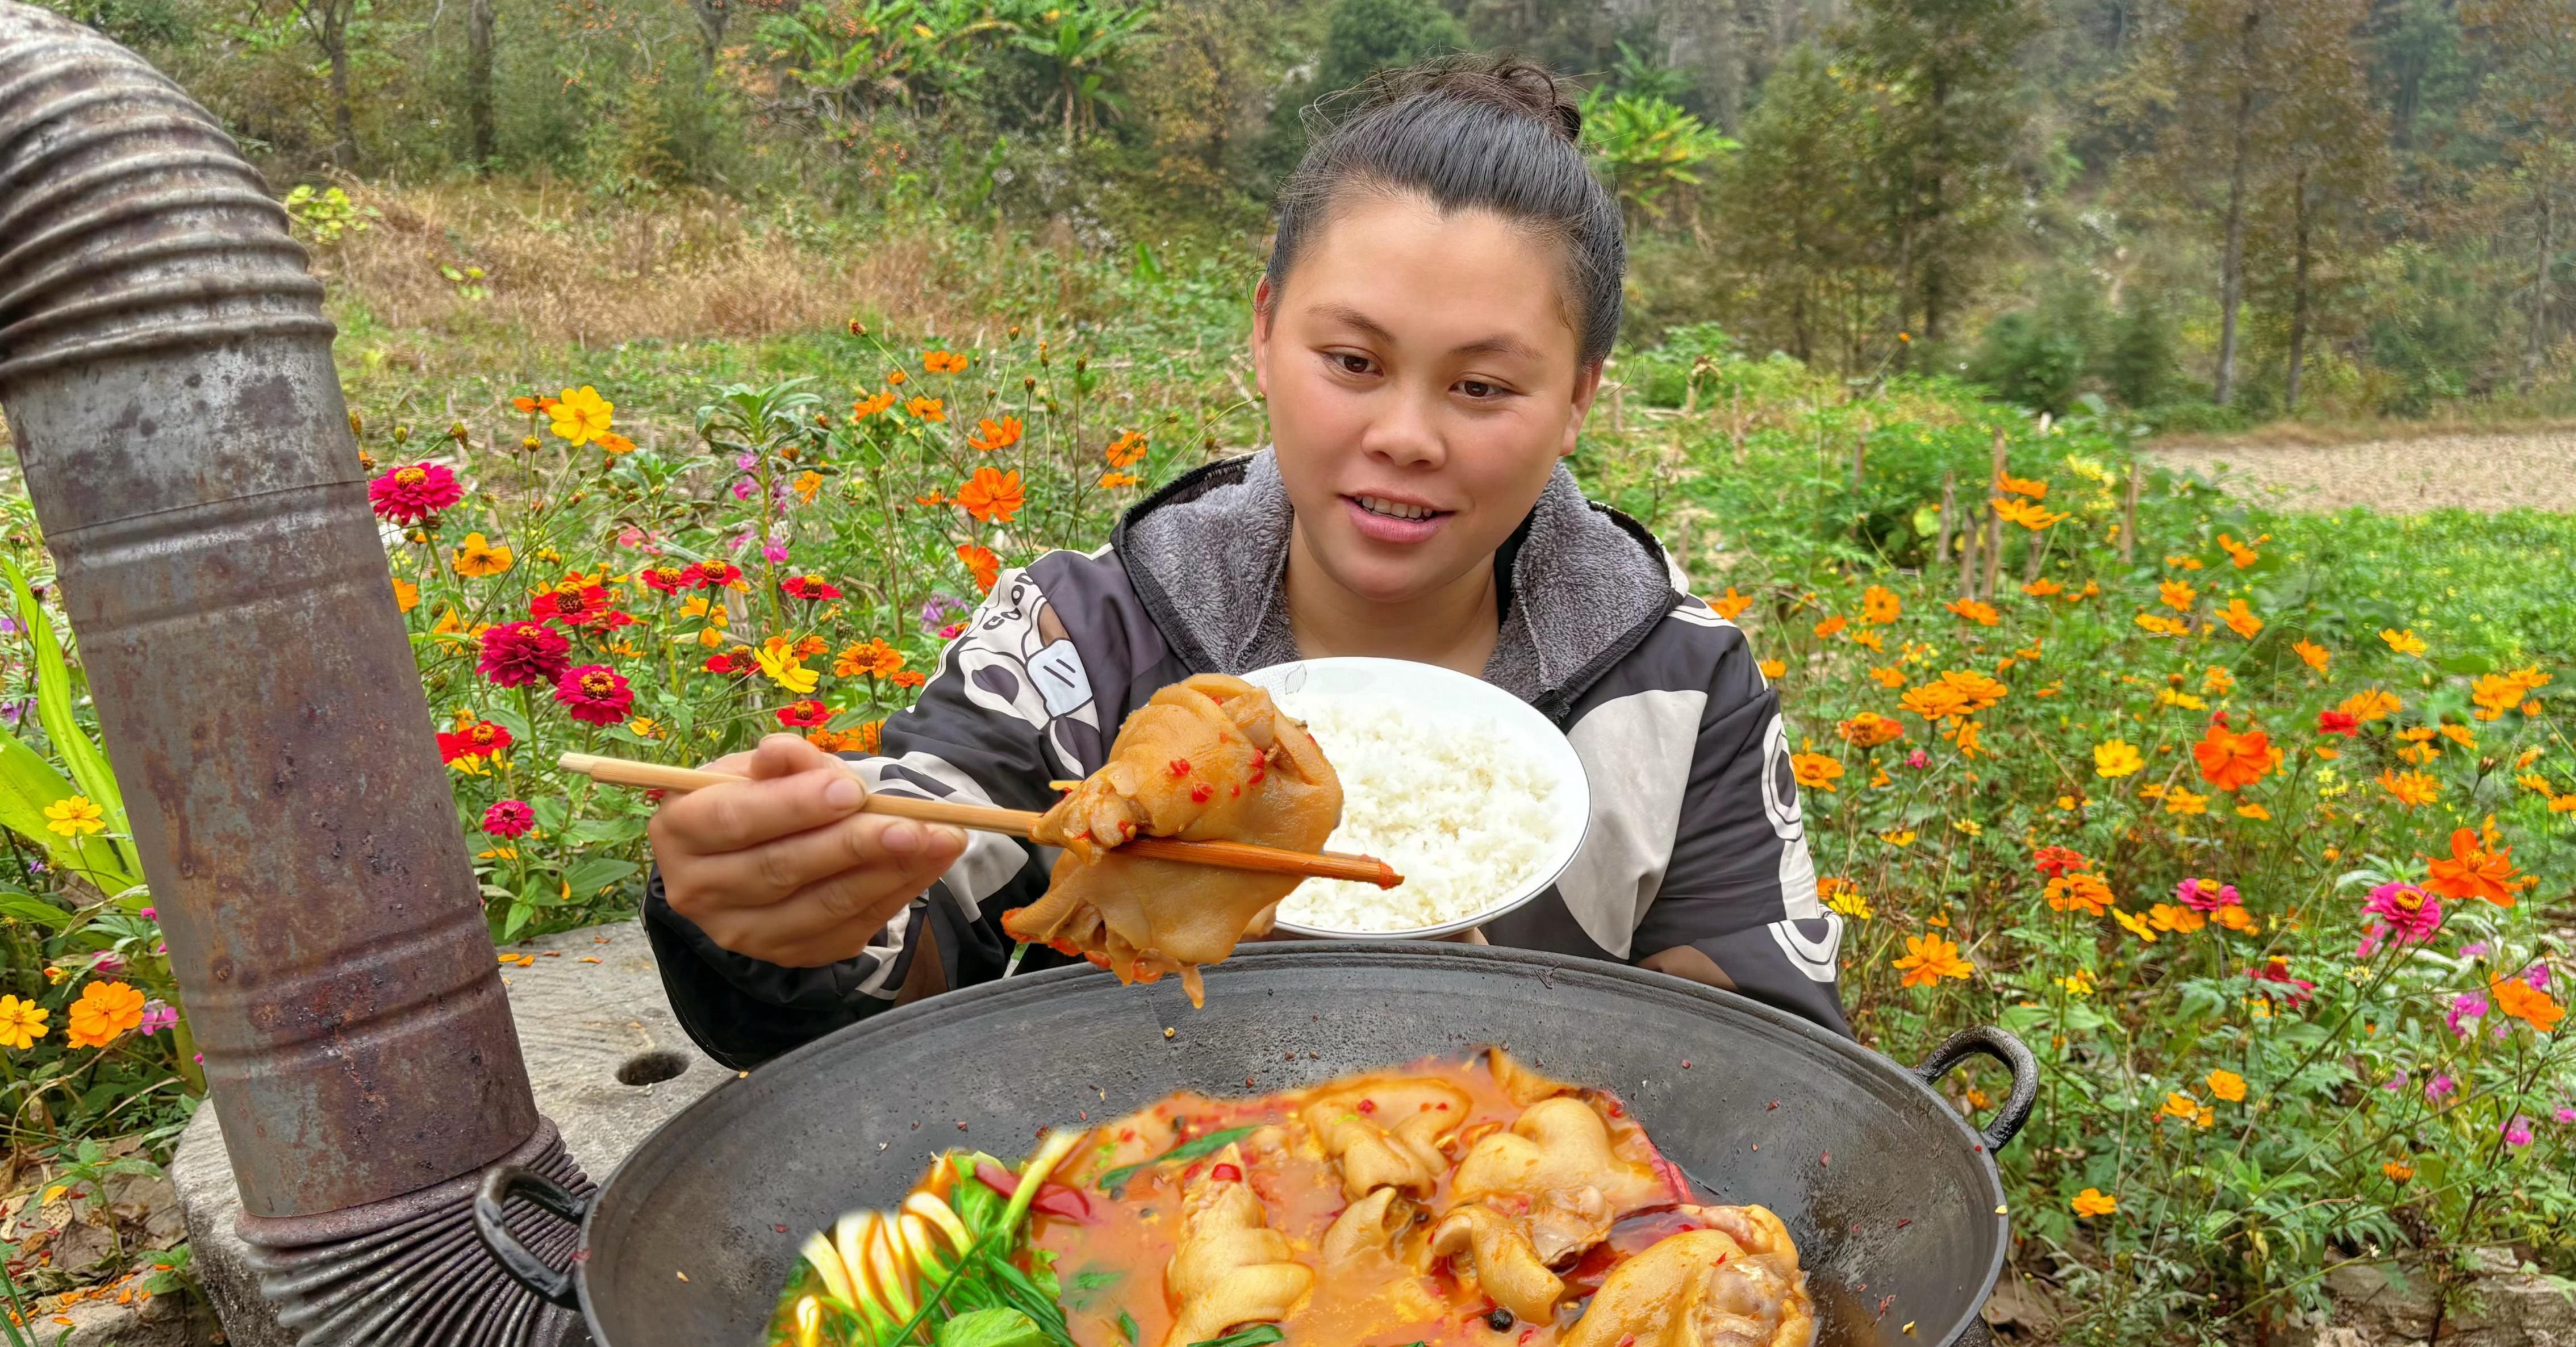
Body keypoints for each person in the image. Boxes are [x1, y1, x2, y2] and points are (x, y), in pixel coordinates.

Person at [644, 60, 1848, 1067]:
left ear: (1577, 397)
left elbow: (1762, 1054)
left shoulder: (1681, 688)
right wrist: (788, 920)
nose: (1406, 437)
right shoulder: (1079, 634)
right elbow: (920, 897)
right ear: (1265, 331)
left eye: (1482, 386)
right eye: (1352, 361)